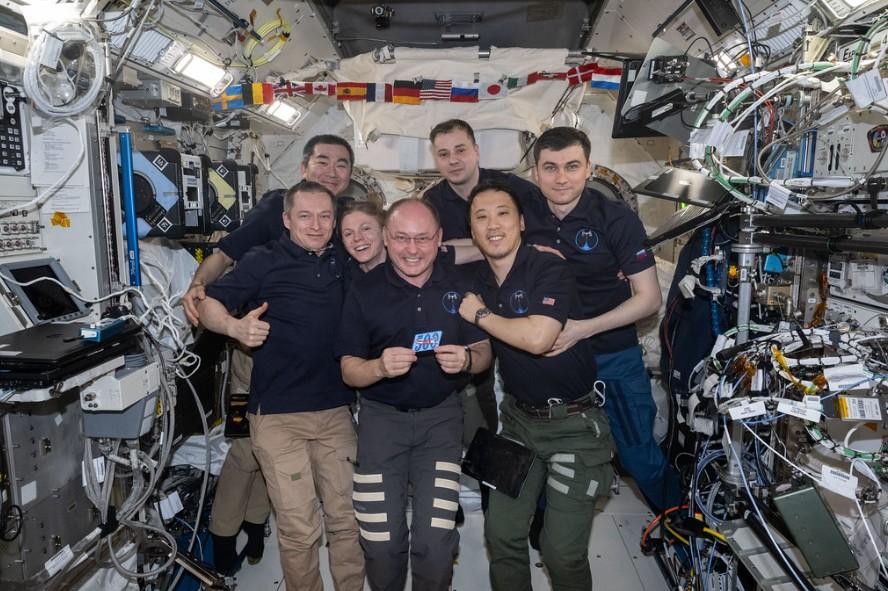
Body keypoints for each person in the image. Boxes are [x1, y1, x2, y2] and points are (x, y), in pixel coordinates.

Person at [183, 134, 355, 573]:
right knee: (247, 451)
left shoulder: (345, 241)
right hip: (255, 352)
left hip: (324, 386)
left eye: (341, 165)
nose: (331, 172)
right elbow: (224, 254)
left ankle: (257, 522)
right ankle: (224, 535)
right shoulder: (270, 228)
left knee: (297, 485)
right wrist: (198, 292)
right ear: (302, 169)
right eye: (322, 161)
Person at [458, 181, 613, 591]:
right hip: (518, 422)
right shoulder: (478, 277)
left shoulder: (549, 267)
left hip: (574, 427)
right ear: (472, 231)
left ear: (522, 222)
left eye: (503, 213)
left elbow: (538, 339)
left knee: (561, 552)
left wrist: (481, 315)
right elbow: (425, 253)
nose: (493, 224)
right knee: (501, 537)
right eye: (481, 216)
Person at [522, 127, 682, 513]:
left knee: (637, 455)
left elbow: (648, 299)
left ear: (589, 168)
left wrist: (581, 328)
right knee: (547, 455)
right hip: (551, 360)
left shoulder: (615, 219)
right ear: (535, 173)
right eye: (551, 168)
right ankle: (548, 539)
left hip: (611, 355)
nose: (561, 178)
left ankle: (681, 529)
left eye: (572, 166)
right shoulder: (523, 215)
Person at [336, 199, 492, 591]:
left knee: (435, 544)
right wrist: (379, 368)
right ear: (386, 239)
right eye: (402, 238)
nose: (412, 249)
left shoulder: (461, 286)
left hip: (441, 423)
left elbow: (485, 350)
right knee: (382, 543)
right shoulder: (364, 290)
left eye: (423, 239)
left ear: (439, 240)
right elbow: (349, 368)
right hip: (380, 423)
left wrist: (468, 360)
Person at [340, 201, 386, 273]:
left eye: (365, 229)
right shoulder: (344, 277)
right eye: (348, 234)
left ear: (384, 232)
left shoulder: (405, 272)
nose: (357, 238)